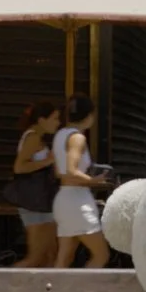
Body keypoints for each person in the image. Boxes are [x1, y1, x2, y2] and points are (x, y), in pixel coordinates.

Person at [51, 93, 111, 268]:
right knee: (101, 255)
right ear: (90, 116)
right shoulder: (78, 137)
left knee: (64, 257)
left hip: (63, 199)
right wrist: (96, 181)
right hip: (78, 201)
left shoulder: (60, 135)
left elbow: (59, 173)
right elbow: (72, 171)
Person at [6, 100, 62, 267]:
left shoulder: (38, 138)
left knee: (50, 255)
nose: (58, 123)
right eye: (55, 118)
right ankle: (2, 284)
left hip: (41, 201)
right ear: (41, 120)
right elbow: (19, 167)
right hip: (34, 202)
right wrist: (49, 161)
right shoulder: (33, 137)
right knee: (36, 258)